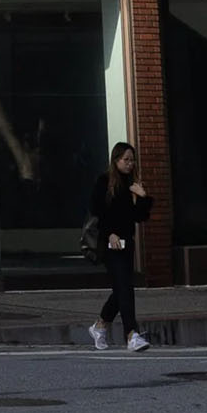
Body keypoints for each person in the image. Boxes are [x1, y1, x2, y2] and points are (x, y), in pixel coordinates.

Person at [87, 142, 151, 351]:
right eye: (126, 160)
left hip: (126, 242)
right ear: (116, 160)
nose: (130, 164)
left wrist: (142, 197)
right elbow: (97, 210)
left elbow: (140, 217)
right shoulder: (104, 181)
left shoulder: (132, 184)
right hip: (109, 243)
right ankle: (131, 334)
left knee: (122, 288)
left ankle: (100, 325)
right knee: (125, 287)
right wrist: (110, 232)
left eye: (132, 160)